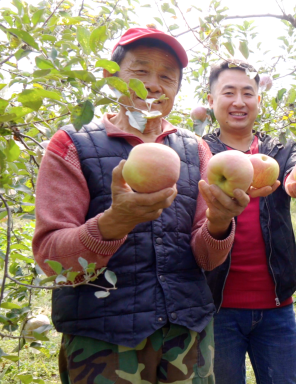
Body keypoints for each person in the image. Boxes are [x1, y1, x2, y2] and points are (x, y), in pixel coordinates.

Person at [33, 27, 250, 383]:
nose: (153, 84)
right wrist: (113, 223)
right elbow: (55, 264)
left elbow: (207, 259)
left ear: (177, 89)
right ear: (111, 76)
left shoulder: (196, 151)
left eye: (167, 76)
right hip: (103, 343)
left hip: (187, 338)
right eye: (140, 71)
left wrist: (220, 223)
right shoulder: (70, 146)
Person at [202, 59, 296, 384]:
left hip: (276, 307)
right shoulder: (200, 153)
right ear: (211, 100)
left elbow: (292, 172)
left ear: (259, 100)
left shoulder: (278, 150)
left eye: (248, 93)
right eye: (229, 92)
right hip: (217, 307)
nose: (239, 101)